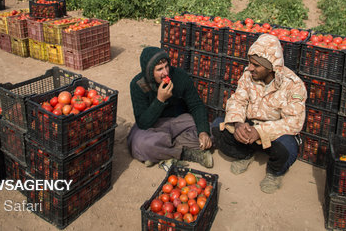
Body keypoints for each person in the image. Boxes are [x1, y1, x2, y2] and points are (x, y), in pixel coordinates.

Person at [211, 33, 307, 193]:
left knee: (287, 149)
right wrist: (238, 123)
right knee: (217, 128)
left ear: (271, 67)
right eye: (250, 63)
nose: (250, 68)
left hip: (274, 133)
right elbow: (237, 101)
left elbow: (294, 122)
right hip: (249, 128)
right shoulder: (248, 76)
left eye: (256, 65)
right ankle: (245, 154)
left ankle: (274, 173)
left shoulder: (293, 85)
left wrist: (260, 132)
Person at [127, 46, 213, 169]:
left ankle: (159, 152)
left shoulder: (179, 76)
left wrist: (203, 132)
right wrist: (159, 100)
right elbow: (143, 123)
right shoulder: (138, 85)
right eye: (159, 69)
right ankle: (186, 153)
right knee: (139, 144)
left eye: (166, 66)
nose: (165, 73)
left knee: (209, 133)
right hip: (153, 127)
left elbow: (196, 105)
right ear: (149, 71)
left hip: (178, 122)